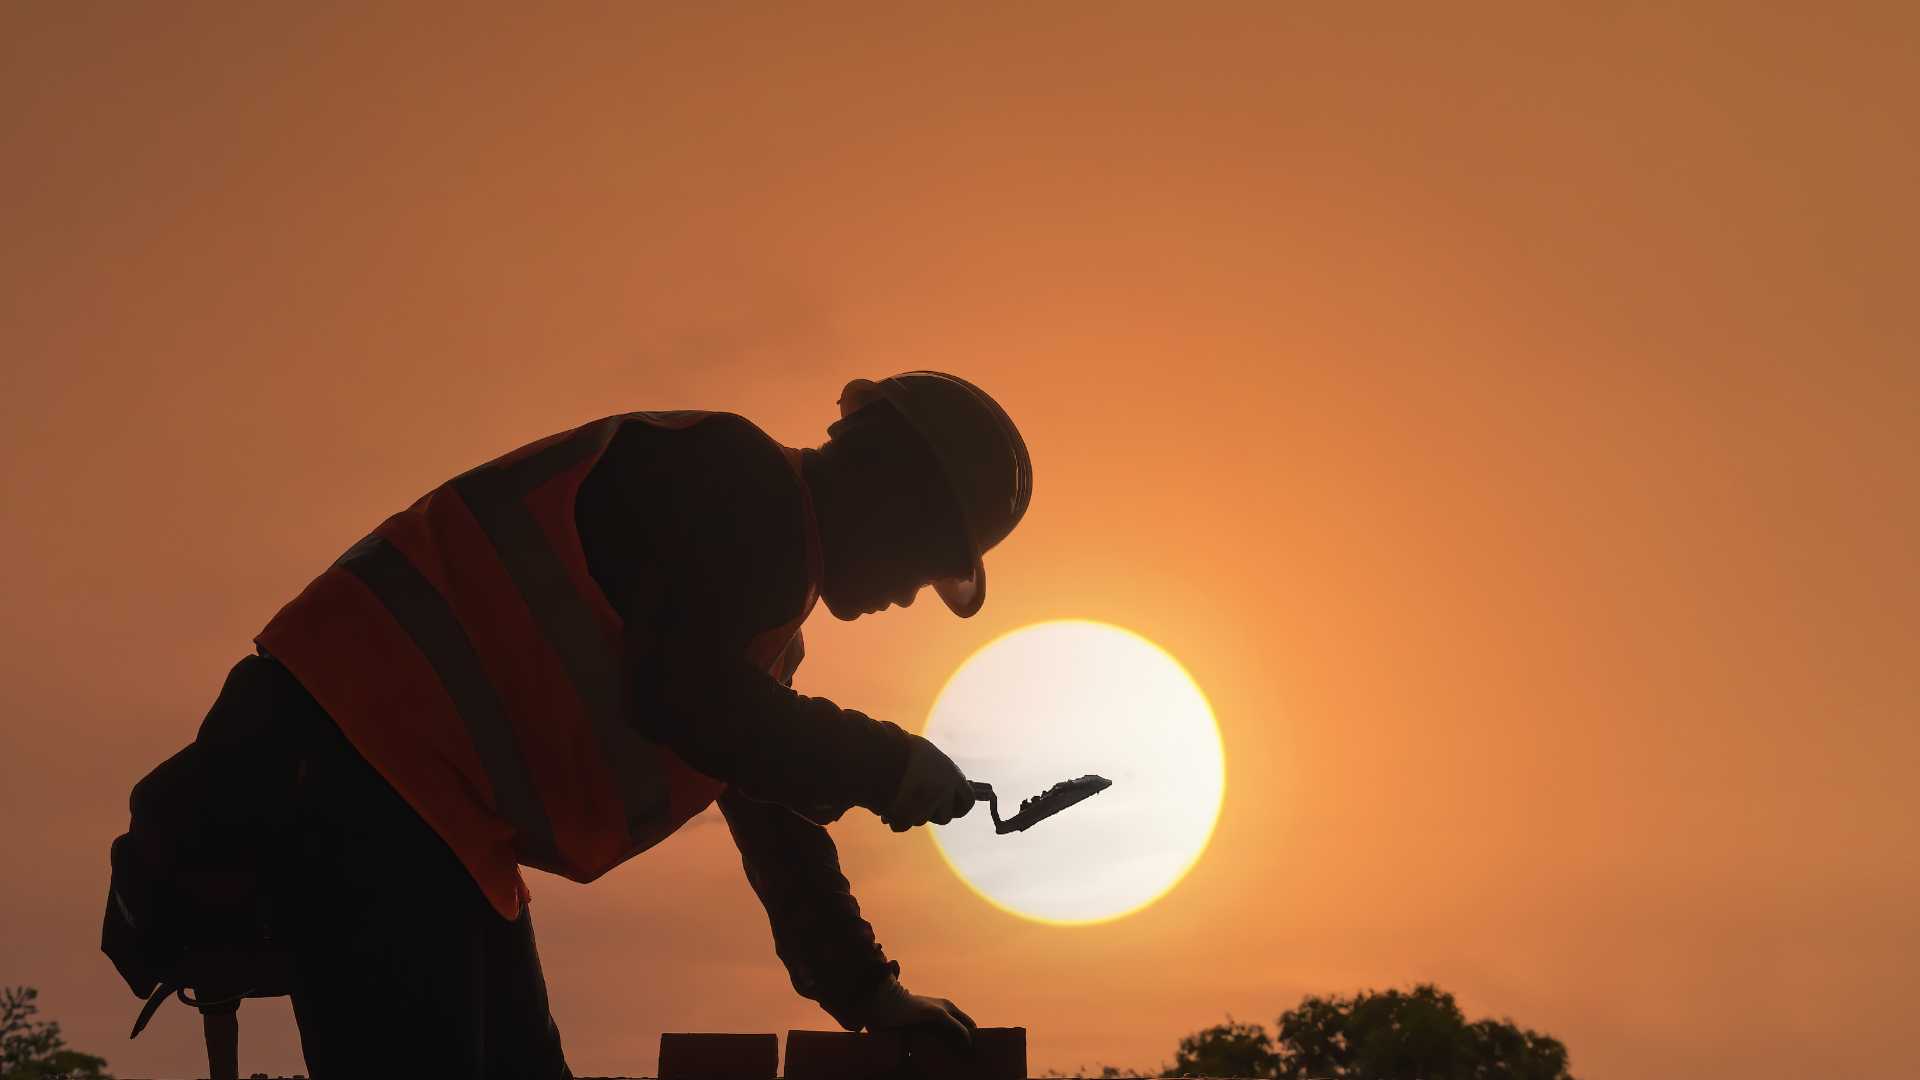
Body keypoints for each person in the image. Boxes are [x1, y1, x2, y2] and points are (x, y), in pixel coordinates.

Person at [207, 371, 1031, 1077]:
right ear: (895, 497)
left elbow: (767, 803)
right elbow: (691, 702)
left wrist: (867, 992)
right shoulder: (741, 488)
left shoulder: (761, 598)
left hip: (424, 810)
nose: (914, 590)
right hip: (356, 766)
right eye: (930, 559)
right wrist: (884, 764)